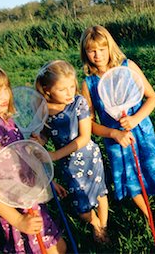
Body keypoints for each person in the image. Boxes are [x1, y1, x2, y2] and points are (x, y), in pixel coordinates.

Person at [80, 25, 155, 240]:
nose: (97, 55)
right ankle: (150, 218)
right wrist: (114, 134)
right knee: (133, 186)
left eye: (102, 48)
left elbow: (152, 97)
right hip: (117, 142)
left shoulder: (128, 68)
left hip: (142, 136)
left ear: (110, 47)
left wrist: (136, 119)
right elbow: (89, 124)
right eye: (92, 50)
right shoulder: (88, 83)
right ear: (85, 52)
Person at [0, 61, 67, 254]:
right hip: (16, 202)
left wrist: (46, 182)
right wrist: (18, 220)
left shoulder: (3, 118)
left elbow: (23, 154)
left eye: (5, 88)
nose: (5, 95)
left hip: (27, 192)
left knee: (58, 246)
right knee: (51, 249)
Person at [34, 60, 110, 244]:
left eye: (72, 86)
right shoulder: (43, 110)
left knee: (100, 193)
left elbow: (84, 137)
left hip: (89, 156)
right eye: (63, 89)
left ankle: (103, 226)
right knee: (79, 203)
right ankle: (94, 222)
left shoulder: (78, 103)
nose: (70, 92)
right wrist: (39, 140)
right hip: (68, 165)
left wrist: (54, 155)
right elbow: (45, 135)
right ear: (47, 90)